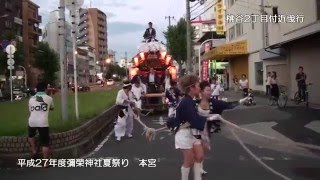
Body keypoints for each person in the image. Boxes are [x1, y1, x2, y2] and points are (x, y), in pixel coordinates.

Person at [172, 75, 221, 180]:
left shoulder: (191, 100)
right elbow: (194, 121)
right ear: (191, 88)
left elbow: (196, 118)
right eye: (198, 85)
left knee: (199, 156)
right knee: (189, 160)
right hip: (183, 134)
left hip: (193, 133)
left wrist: (210, 117)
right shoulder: (186, 102)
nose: (199, 88)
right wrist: (210, 118)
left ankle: (197, 178)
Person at [195, 81, 244, 176]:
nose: (209, 92)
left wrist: (242, 101)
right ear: (201, 91)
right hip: (195, 130)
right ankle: (197, 168)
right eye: (207, 90)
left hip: (206, 130)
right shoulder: (195, 103)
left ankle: (199, 166)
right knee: (198, 150)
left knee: (204, 149)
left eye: (210, 90)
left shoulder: (214, 102)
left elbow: (228, 105)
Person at [28, 82, 54, 167]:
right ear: (45, 89)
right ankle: (46, 162)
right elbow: (52, 108)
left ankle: (34, 150)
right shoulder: (49, 98)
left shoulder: (31, 99)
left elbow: (31, 110)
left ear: (37, 89)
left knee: (31, 136)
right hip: (43, 122)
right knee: (45, 143)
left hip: (32, 121)